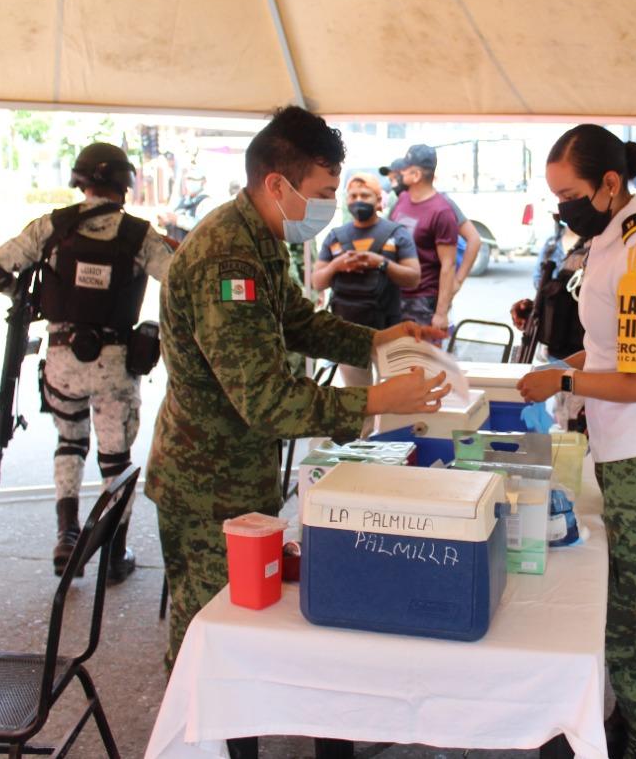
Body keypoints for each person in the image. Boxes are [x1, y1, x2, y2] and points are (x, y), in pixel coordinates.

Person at [145, 105, 451, 680]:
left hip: (238, 471)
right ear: (277, 183)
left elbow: (301, 322)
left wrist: (382, 339)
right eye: (323, 191)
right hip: (207, 479)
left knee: (240, 623)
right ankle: (196, 739)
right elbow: (265, 400)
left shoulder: (259, 238)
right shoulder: (226, 258)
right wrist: (380, 400)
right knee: (206, 639)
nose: (330, 206)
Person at [514, 124, 636, 759]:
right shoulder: (607, 237)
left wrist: (564, 377)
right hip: (625, 454)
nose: (560, 207)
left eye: (568, 193)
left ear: (609, 184)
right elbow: (606, 349)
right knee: (621, 611)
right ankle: (623, 724)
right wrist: (559, 366)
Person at [0, 142, 174, 581]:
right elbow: (178, 281)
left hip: (62, 361)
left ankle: (66, 540)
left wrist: (30, 300)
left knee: (69, 444)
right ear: (125, 185)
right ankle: (112, 556)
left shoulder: (52, 226)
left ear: (80, 181)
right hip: (115, 367)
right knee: (115, 463)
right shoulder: (139, 235)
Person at [313, 172, 420, 386]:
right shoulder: (335, 237)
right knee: (358, 399)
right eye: (353, 196)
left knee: (394, 399)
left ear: (378, 200)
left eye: (365, 195)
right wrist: (337, 265)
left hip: (388, 330)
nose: (358, 201)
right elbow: (317, 282)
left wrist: (380, 262)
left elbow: (413, 278)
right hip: (348, 333)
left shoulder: (397, 234)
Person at [382, 151, 485, 293]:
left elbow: (473, 239)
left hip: (427, 296)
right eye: (391, 180)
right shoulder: (401, 200)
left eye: (397, 177)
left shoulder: (441, 205)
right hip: (400, 292)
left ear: (415, 175)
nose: (393, 183)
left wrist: (457, 282)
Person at [511, 216, 589, 362]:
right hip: (553, 337)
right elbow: (539, 281)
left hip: (577, 344)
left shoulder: (592, 247)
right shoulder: (551, 244)